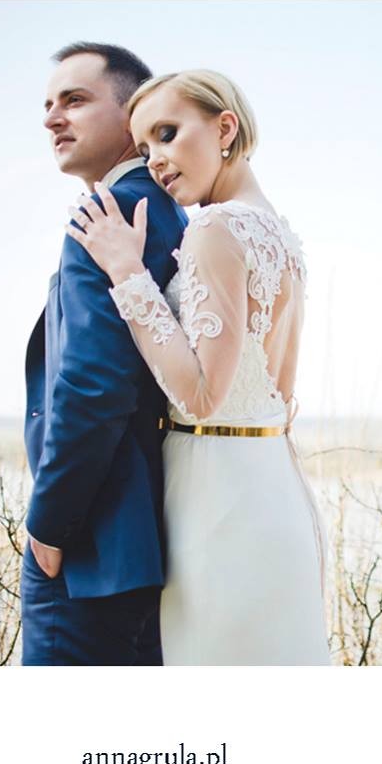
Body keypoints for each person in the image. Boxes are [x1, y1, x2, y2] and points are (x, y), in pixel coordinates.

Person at [66, 69, 331, 665]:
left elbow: (202, 395)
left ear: (225, 128)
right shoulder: (281, 236)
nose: (156, 160)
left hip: (218, 497)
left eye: (167, 133)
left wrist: (126, 272)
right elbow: (280, 391)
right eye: (144, 149)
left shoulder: (215, 227)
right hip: (274, 485)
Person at [21, 43, 188, 665]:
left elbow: (95, 385)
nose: (51, 118)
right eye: (48, 104)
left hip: (93, 541)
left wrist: (50, 523)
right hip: (155, 537)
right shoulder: (171, 211)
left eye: (75, 100)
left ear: (132, 114)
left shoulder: (106, 217)